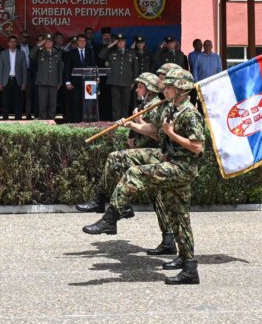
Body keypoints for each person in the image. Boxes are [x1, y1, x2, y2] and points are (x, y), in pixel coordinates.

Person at [83, 69, 206, 285]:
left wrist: (171, 134)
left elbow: (197, 147)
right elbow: (154, 129)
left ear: (180, 90)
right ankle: (189, 267)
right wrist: (135, 124)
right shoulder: (173, 109)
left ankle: (111, 217)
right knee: (180, 217)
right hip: (171, 163)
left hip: (181, 167)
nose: (164, 89)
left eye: (168, 87)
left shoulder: (190, 113)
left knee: (134, 174)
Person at [75, 73, 177, 256]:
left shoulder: (156, 106)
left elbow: (154, 133)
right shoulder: (146, 105)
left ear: (149, 89)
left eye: (140, 86)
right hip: (148, 156)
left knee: (116, 159)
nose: (137, 89)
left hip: (158, 156)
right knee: (158, 199)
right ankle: (168, 240)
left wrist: (134, 125)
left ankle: (104, 201)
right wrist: (132, 134)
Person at [99, 33, 138, 120]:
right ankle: (116, 124)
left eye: (122, 41)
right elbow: (101, 55)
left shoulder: (131, 53)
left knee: (125, 105)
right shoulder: (112, 52)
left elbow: (135, 69)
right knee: (116, 106)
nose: (120, 43)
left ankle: (125, 125)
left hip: (127, 82)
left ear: (125, 42)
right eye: (118, 41)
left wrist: (133, 82)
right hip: (115, 82)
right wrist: (111, 44)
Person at [64, 35, 97, 123]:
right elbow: (67, 68)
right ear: (77, 42)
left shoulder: (90, 52)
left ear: (86, 42)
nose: (82, 42)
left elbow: (94, 66)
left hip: (89, 83)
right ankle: (76, 122)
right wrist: (67, 82)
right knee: (76, 103)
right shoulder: (71, 52)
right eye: (80, 41)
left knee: (89, 104)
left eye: (84, 41)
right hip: (75, 83)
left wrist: (96, 78)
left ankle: (88, 122)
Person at [31, 34, 64, 121]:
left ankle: (51, 120)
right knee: (42, 103)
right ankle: (43, 121)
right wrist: (40, 44)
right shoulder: (40, 52)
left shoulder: (57, 53)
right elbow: (30, 55)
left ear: (53, 43)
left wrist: (60, 82)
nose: (48, 43)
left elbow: (60, 68)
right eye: (46, 41)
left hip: (53, 82)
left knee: (52, 104)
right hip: (42, 82)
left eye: (50, 41)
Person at [0, 35, 28, 120]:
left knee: (18, 102)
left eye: (14, 42)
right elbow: (0, 68)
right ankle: (5, 120)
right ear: (8, 43)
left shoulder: (21, 53)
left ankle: (18, 120)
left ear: (17, 43)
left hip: (17, 80)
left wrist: (24, 83)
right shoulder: (3, 53)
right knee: (5, 102)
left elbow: (24, 69)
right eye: (11, 41)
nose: (13, 43)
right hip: (6, 80)